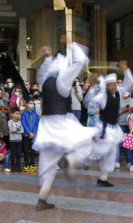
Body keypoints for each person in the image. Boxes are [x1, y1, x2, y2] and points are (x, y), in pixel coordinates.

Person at [33, 40, 96, 211]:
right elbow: (81, 62)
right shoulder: (62, 79)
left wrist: (47, 57)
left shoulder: (45, 81)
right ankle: (68, 161)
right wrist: (72, 45)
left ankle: (42, 198)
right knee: (86, 142)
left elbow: (42, 72)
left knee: (47, 164)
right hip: (61, 122)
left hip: (46, 126)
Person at [85, 59, 133, 186]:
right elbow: (88, 100)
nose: (115, 86)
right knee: (101, 150)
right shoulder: (102, 95)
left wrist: (125, 69)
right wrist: (93, 86)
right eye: (112, 84)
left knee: (111, 153)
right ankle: (75, 159)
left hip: (113, 128)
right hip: (104, 128)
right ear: (106, 85)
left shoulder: (118, 93)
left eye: (115, 84)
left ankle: (103, 178)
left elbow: (129, 83)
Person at [116, 91, 133, 168]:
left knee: (129, 144)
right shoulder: (118, 100)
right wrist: (122, 111)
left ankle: (129, 161)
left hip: (130, 124)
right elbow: (114, 112)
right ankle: (117, 161)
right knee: (119, 143)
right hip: (120, 123)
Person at [21, 99, 39, 172]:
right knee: (26, 150)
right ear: (27, 104)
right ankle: (26, 164)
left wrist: (33, 133)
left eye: (32, 103)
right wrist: (29, 132)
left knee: (32, 151)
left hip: (33, 135)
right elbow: (23, 123)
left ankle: (32, 165)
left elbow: (37, 124)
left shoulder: (35, 114)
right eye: (30, 103)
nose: (31, 105)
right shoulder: (24, 113)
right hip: (26, 135)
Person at [8, 107, 24, 172]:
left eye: (18, 113)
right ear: (12, 114)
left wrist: (15, 129)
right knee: (13, 154)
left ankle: (18, 167)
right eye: (16, 113)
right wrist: (18, 129)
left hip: (19, 140)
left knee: (18, 154)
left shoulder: (20, 122)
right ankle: (13, 167)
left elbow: (22, 131)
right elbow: (11, 130)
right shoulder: (10, 122)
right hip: (12, 141)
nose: (17, 115)